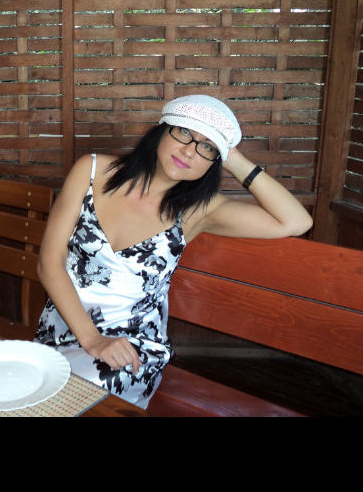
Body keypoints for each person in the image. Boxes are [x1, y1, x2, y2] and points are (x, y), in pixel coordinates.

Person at [34, 94, 313, 409]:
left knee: (80, 394)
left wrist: (231, 155)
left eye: (207, 147)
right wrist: (92, 339)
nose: (190, 151)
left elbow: (296, 221)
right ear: (161, 130)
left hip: (132, 346)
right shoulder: (93, 171)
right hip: (64, 327)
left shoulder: (198, 212)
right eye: (184, 132)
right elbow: (49, 263)